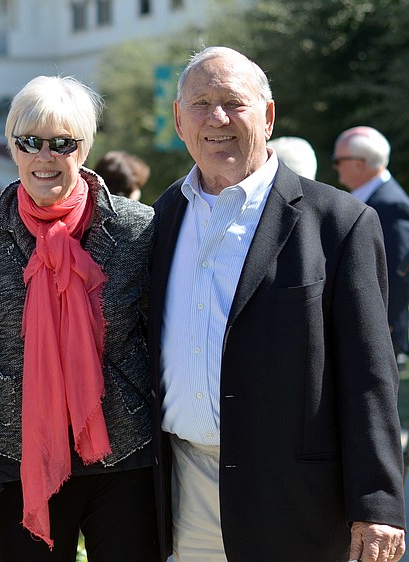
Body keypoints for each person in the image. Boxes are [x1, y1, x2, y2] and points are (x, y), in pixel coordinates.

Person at [148, 46, 406, 561]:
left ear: (267, 116)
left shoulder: (339, 223)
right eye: (199, 103)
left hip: (292, 497)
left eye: (233, 102)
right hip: (181, 488)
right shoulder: (161, 217)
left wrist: (377, 502)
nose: (216, 117)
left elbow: (369, 375)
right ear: (179, 120)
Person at [0, 75, 159, 561]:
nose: (44, 157)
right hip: (26, 454)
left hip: (123, 453)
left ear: (85, 147)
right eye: (30, 142)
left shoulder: (138, 229)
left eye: (61, 143)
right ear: (12, 148)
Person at [333, 126, 409, 364]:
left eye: (338, 160)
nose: (335, 166)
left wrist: (384, 326)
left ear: (359, 163)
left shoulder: (391, 205)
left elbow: (399, 274)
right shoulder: (371, 198)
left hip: (380, 332)